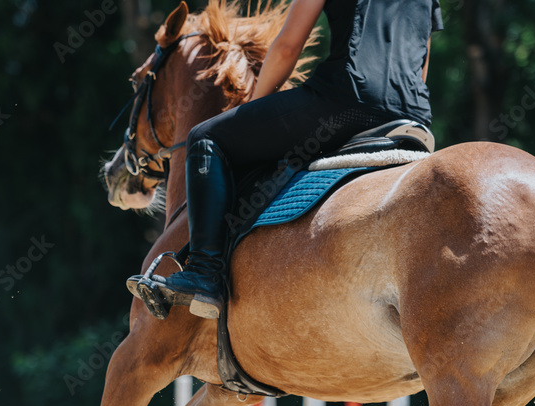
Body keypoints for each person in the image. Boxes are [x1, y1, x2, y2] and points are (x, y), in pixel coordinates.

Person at [129, 0, 443, 319]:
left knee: (206, 138)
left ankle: (205, 275)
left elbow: (287, 47)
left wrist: (249, 112)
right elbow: (422, 65)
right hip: (414, 113)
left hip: (345, 99)